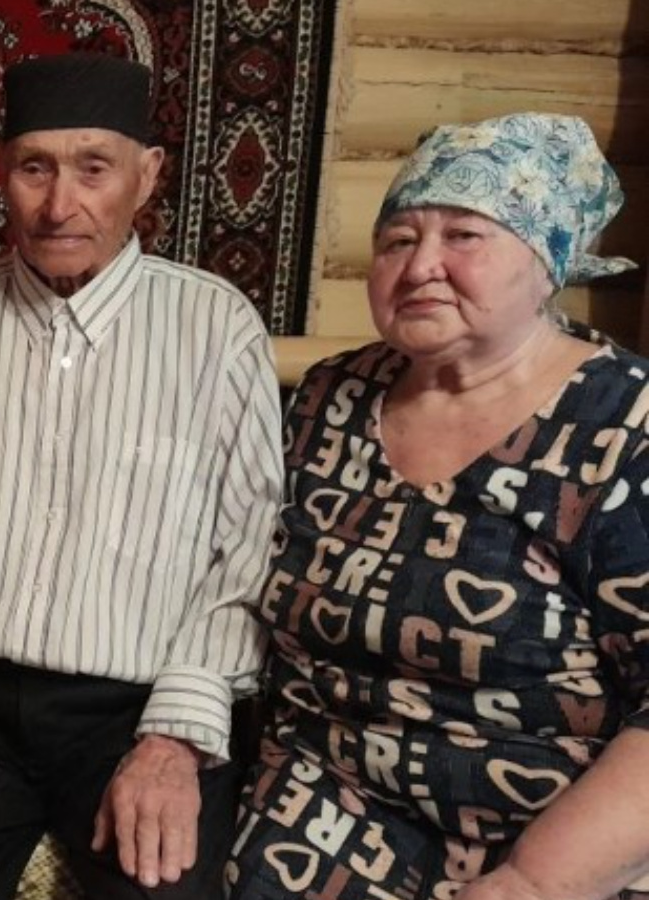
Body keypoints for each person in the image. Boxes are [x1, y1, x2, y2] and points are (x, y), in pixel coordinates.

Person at [0, 52, 282, 899]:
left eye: (93, 169)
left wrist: (174, 741)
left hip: (133, 715)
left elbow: (249, 549)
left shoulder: (216, 327)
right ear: (4, 176)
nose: (60, 204)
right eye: (35, 168)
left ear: (146, 176)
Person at [228, 112, 649, 900]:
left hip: (557, 843)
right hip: (322, 811)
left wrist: (532, 881)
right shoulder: (330, 396)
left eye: (464, 236)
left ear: (547, 262)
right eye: (397, 240)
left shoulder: (624, 423)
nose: (421, 265)